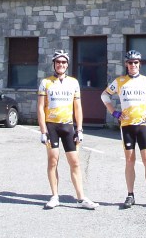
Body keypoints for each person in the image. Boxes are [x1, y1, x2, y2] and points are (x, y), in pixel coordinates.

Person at [101, 49, 146, 209]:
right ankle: (130, 195)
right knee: (130, 160)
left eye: (136, 62)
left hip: (142, 125)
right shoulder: (119, 81)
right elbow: (104, 96)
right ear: (126, 64)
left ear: (139, 64)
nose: (133, 65)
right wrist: (114, 112)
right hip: (127, 126)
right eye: (130, 62)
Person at [37, 49, 98, 210]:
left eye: (64, 62)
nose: (61, 65)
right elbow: (40, 108)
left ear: (67, 65)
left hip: (68, 126)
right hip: (52, 126)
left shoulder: (74, 82)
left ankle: (81, 198)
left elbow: (77, 108)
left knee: (75, 162)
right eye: (58, 62)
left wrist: (80, 129)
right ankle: (54, 196)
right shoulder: (46, 82)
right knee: (53, 161)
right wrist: (43, 131)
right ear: (54, 64)